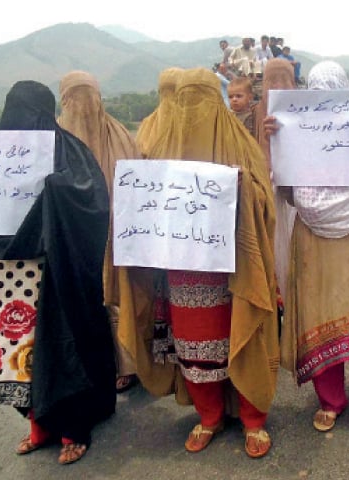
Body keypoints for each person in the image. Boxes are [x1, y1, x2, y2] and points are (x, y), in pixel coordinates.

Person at [0, 80, 116, 465]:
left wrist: (56, 192)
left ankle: (73, 429)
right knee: (15, 350)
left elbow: (92, 202)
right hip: (1, 276)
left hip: (52, 272)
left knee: (59, 345)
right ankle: (38, 426)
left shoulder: (68, 151)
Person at [119, 67, 278, 459]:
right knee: (195, 342)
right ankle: (209, 415)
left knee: (244, 336)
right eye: (185, 101)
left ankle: (253, 417)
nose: (193, 112)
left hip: (236, 266)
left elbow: (266, 203)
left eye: (202, 100)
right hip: (184, 270)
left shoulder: (241, 144)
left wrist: (243, 192)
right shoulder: (157, 150)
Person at [264, 60, 349, 440]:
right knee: (319, 312)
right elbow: (288, 194)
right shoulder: (295, 130)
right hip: (313, 233)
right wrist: (275, 141)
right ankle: (331, 401)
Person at [57, 70, 141, 395]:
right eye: (75, 99)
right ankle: (92, 366)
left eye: (88, 97)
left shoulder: (120, 134)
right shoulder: (56, 140)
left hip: (117, 232)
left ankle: (128, 365)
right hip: (75, 236)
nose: (84, 106)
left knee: (120, 299)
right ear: (64, 102)